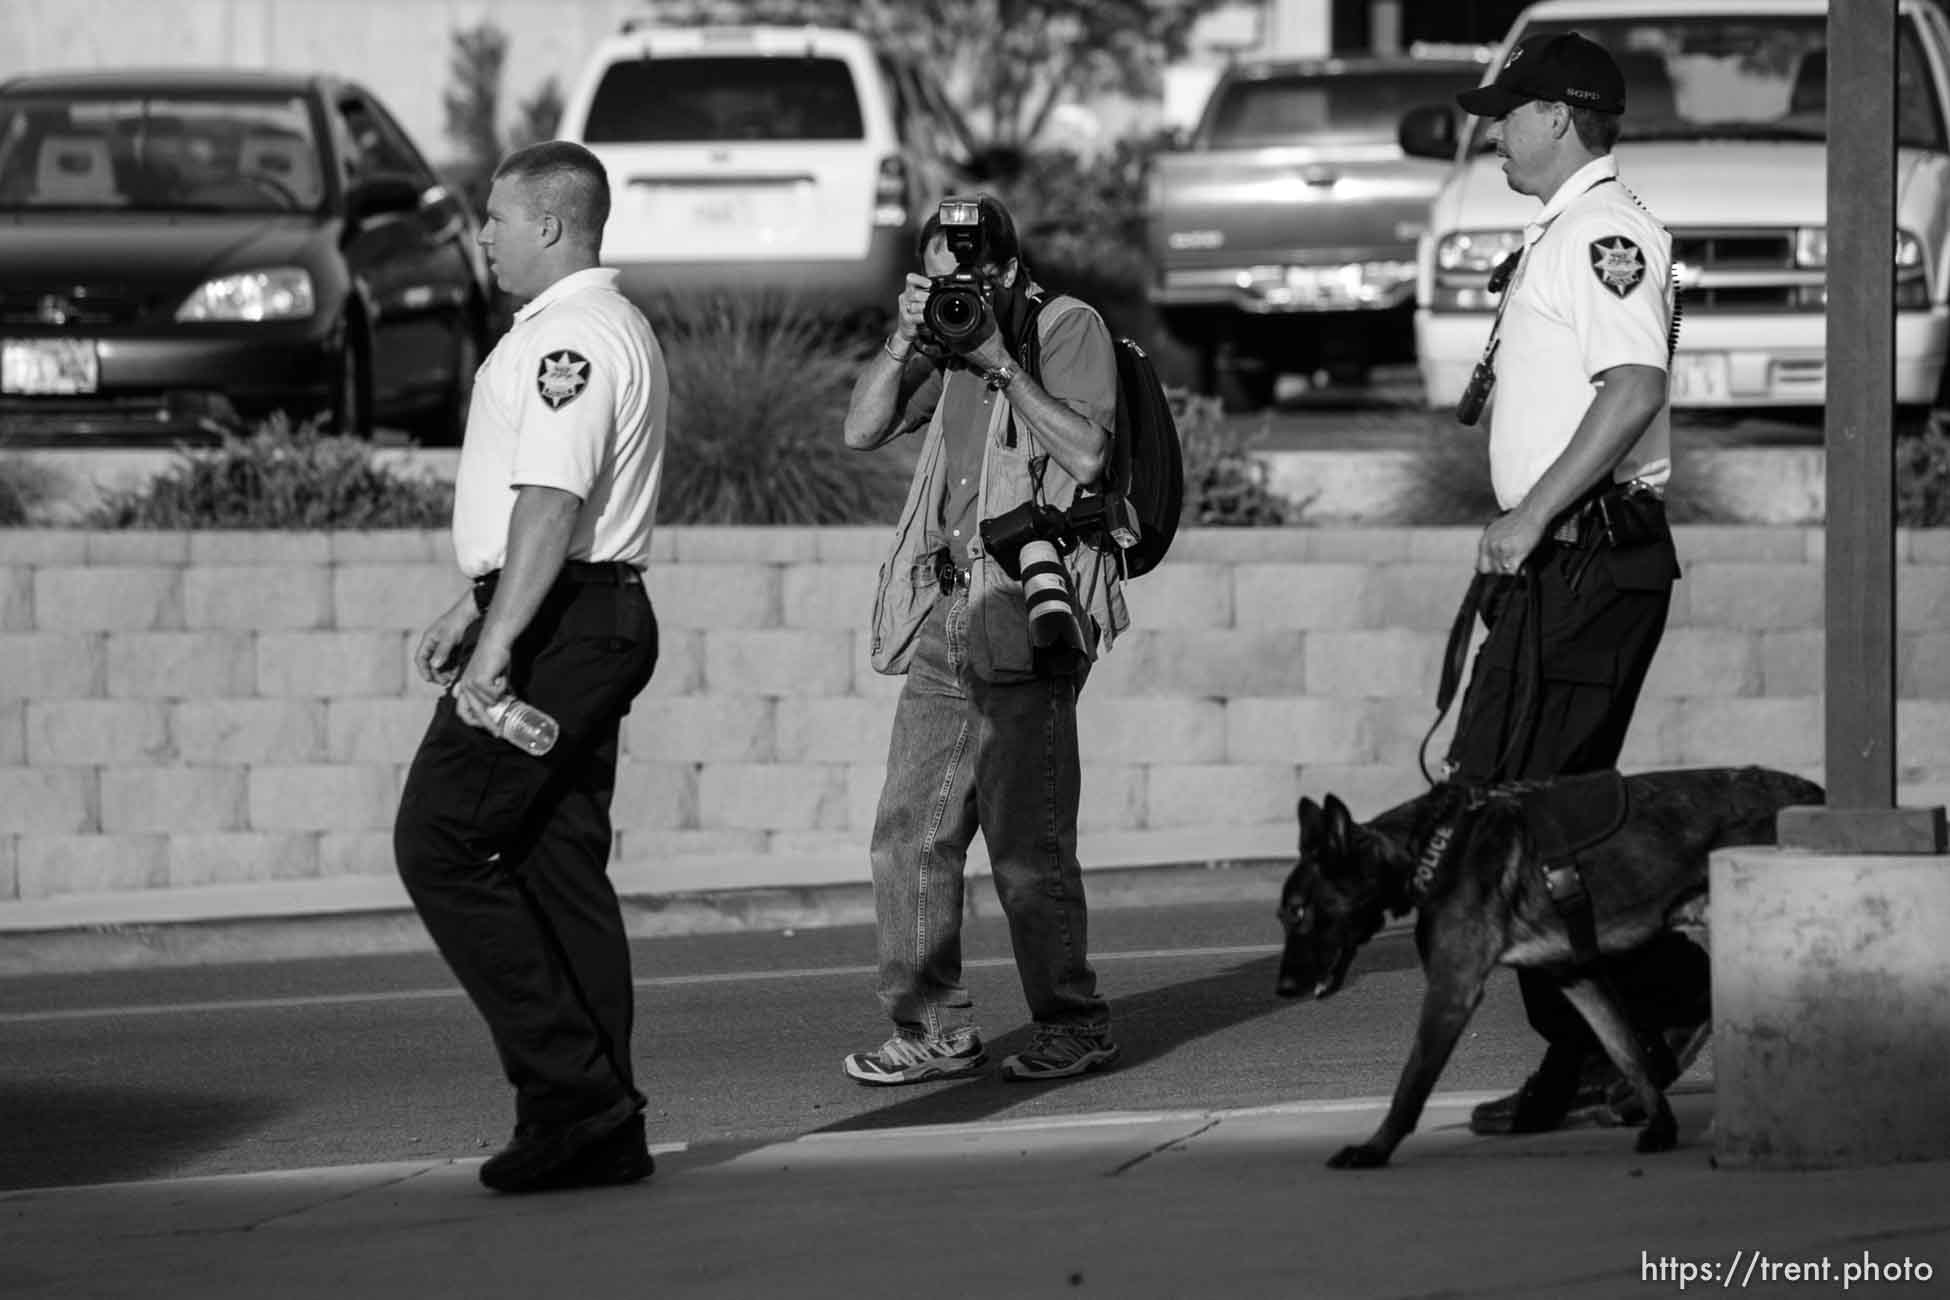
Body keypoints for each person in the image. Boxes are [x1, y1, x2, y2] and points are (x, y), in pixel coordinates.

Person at [1439, 34, 1709, 1136]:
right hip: (1565, 565)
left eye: (1506, 111)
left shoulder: (1603, 232)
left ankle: (1661, 1009)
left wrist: (1534, 511)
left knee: (1522, 820)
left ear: (1560, 114)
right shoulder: (1567, 229)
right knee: (1521, 817)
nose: (1491, 128)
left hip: (1592, 557)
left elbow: (1634, 385)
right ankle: (1590, 1053)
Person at [393, 140, 667, 1193]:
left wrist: (500, 642)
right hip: (573, 611)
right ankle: (598, 1124)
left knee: (441, 840)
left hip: (565, 625)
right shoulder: (584, 328)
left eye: (497, 220)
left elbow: (555, 502)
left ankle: (577, 1093)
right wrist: (473, 607)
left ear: (552, 225)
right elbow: (544, 515)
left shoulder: (576, 341)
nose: (484, 238)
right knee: (554, 863)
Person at [839, 194, 1127, 1086]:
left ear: (1002, 272)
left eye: (965, 278)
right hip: (948, 607)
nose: (952, 294)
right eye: (934, 279)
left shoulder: (1064, 328)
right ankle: (933, 1026)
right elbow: (860, 430)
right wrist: (908, 336)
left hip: (1029, 606)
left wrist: (999, 359)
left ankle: (1075, 1022)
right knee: (907, 833)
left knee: (1026, 845)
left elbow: (1086, 454)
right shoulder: (942, 342)